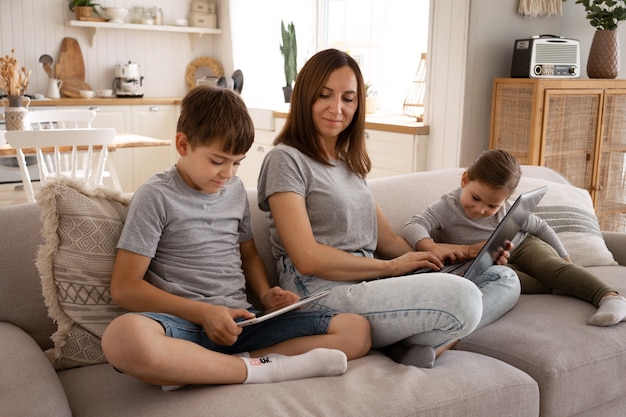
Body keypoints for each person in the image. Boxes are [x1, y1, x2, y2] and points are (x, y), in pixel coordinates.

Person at [256, 48, 521, 369]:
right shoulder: (285, 159)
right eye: (324, 95)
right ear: (303, 97)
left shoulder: (350, 165)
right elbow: (307, 257)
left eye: (348, 99)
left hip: (369, 284)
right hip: (318, 290)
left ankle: (420, 342)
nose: (336, 108)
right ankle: (428, 337)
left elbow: (391, 244)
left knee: (502, 278)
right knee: (462, 298)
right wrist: (390, 268)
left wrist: (467, 252)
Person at [101, 86, 371, 391]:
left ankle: (203, 369)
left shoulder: (234, 190)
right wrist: (204, 313)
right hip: (183, 325)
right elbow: (124, 288)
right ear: (182, 144)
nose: (227, 173)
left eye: (237, 162)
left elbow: (249, 255)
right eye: (217, 161)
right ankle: (260, 369)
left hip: (243, 324)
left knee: (356, 329)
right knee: (123, 337)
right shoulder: (155, 196)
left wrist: (266, 296)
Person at [402, 149, 626, 327]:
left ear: (505, 199)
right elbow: (414, 225)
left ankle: (611, 297)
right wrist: (430, 246)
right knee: (513, 281)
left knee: (551, 267)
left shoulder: (507, 209)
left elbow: (541, 227)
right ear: (464, 180)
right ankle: (564, 284)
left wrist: (564, 257)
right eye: (476, 198)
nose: (481, 209)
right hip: (492, 262)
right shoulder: (446, 206)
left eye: (492, 205)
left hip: (524, 245)